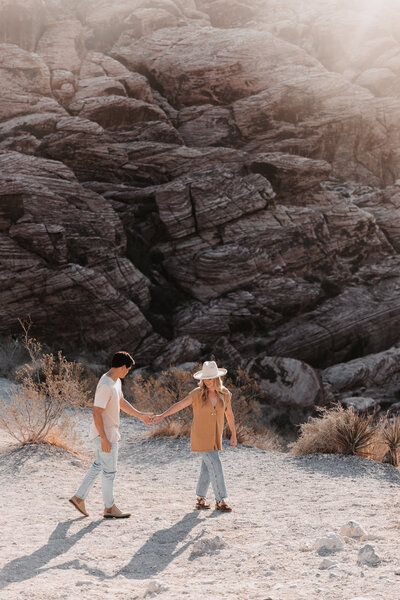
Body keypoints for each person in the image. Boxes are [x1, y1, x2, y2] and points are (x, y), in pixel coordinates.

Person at [69, 351, 154, 519]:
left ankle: (79, 498)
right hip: (106, 434)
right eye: (127, 369)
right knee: (110, 472)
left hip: (109, 433)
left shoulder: (115, 382)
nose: (127, 372)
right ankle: (109, 508)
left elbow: (121, 402)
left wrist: (140, 415)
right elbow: (96, 413)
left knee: (99, 466)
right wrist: (104, 439)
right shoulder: (106, 385)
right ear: (123, 367)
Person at [154, 360, 237, 512]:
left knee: (207, 467)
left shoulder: (225, 394)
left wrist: (233, 434)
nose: (208, 381)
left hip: (215, 437)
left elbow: (229, 414)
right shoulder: (196, 394)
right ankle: (221, 500)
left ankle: (200, 499)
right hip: (201, 435)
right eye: (205, 378)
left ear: (217, 378)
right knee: (216, 465)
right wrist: (162, 415)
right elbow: (179, 405)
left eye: (211, 378)